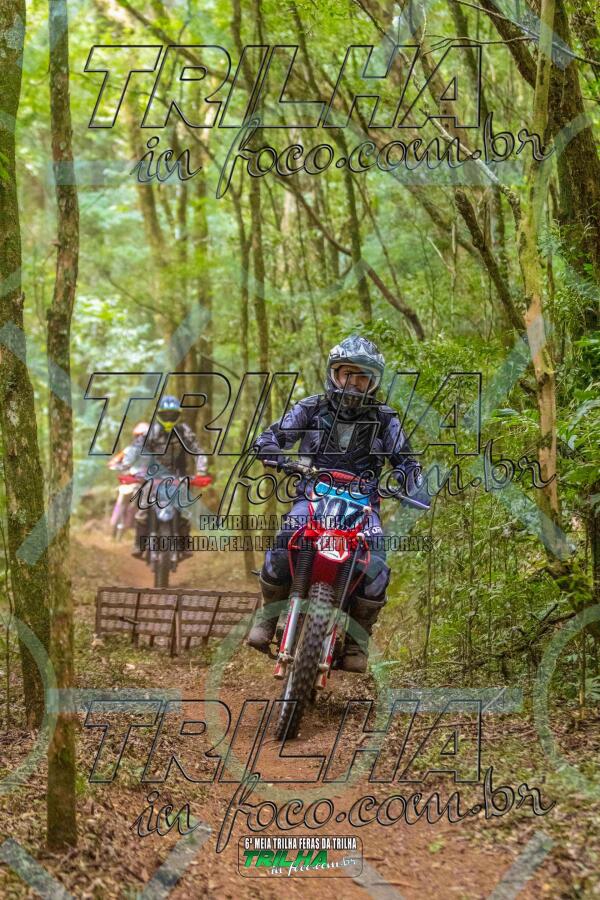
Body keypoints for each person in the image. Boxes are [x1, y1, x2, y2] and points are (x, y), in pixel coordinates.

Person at [246, 335, 428, 672]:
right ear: (334, 374)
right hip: (312, 494)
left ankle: (358, 642)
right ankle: (268, 618)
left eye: (363, 378)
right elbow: (274, 435)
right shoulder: (310, 408)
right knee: (286, 536)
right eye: (348, 375)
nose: (354, 384)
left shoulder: (386, 419)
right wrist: (270, 449)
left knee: (377, 562)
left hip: (363, 503)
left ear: (374, 382)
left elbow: (406, 460)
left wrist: (414, 485)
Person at [121, 396, 208, 558]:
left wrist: (201, 472)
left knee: (185, 509)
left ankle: (184, 545)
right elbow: (134, 449)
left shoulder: (184, 431)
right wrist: (126, 467)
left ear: (178, 415)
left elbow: (198, 451)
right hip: (152, 475)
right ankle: (139, 544)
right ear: (159, 414)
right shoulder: (151, 432)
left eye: (172, 415)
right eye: (165, 414)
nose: (169, 418)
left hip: (178, 475)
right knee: (142, 508)